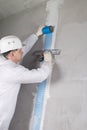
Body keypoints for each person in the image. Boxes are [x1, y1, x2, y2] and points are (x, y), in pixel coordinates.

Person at [0, 26, 52, 130]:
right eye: (19, 51)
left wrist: (36, 35)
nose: (22, 51)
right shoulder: (12, 72)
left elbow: (23, 47)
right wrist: (47, 62)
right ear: (12, 53)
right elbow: (41, 75)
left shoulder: (4, 59)